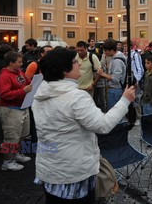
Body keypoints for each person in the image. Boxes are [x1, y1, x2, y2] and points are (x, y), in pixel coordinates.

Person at [32, 48, 136, 203]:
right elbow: (103, 125)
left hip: (50, 169)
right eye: (75, 62)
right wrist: (125, 101)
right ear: (64, 71)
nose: (79, 65)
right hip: (74, 172)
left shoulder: (41, 92)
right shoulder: (76, 97)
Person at [0, 51, 32, 171]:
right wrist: (23, 91)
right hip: (10, 110)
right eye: (19, 62)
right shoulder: (4, 76)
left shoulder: (18, 72)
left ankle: (16, 155)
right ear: (11, 63)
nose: (22, 64)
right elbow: (4, 94)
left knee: (21, 135)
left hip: (22, 107)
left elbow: (26, 83)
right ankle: (7, 161)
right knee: (11, 137)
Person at [96, 39, 126, 110]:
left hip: (115, 90)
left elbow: (116, 79)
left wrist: (102, 74)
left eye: (106, 51)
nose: (105, 53)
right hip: (115, 89)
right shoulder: (116, 58)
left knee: (115, 113)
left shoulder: (117, 61)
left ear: (112, 50)